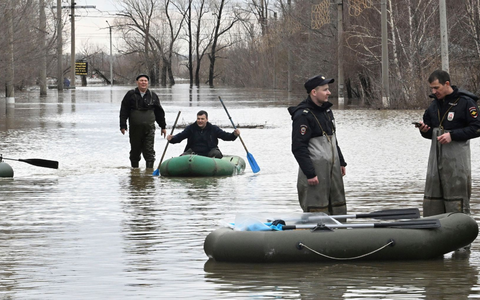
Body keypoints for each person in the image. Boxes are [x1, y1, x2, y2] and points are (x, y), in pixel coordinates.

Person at [416, 69, 480, 217]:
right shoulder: (433, 106)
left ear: (447, 84)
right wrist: (424, 130)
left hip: (456, 164)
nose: (434, 91)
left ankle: (461, 235)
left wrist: (453, 135)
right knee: (432, 206)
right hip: (435, 163)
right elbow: (429, 132)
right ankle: (433, 237)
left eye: (436, 88)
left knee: (456, 206)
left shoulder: (465, 102)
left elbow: (477, 128)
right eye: (431, 88)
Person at [288, 75, 347, 214]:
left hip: (332, 170)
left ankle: (341, 234)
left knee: (338, 208)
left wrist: (341, 162)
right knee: (317, 212)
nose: (329, 93)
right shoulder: (303, 115)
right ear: (314, 92)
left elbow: (333, 139)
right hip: (315, 173)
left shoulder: (327, 111)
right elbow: (298, 147)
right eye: (325, 90)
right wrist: (310, 174)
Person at [119, 74, 167, 168]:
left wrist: (163, 126)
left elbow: (159, 112)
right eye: (141, 80)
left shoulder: (153, 95)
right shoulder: (130, 95)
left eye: (145, 81)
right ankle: (134, 172)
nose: (143, 82)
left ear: (148, 83)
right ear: (137, 82)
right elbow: (124, 111)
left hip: (149, 129)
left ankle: (149, 174)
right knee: (135, 151)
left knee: (149, 152)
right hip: (135, 129)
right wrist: (123, 126)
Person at [167, 110, 240, 158]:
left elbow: (225, 136)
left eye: (202, 119)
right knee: (183, 157)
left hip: (209, 152)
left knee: (217, 154)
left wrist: (234, 135)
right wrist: (172, 139)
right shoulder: (191, 128)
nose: (200, 121)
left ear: (206, 119)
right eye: (198, 119)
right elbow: (180, 136)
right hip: (194, 152)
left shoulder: (213, 128)